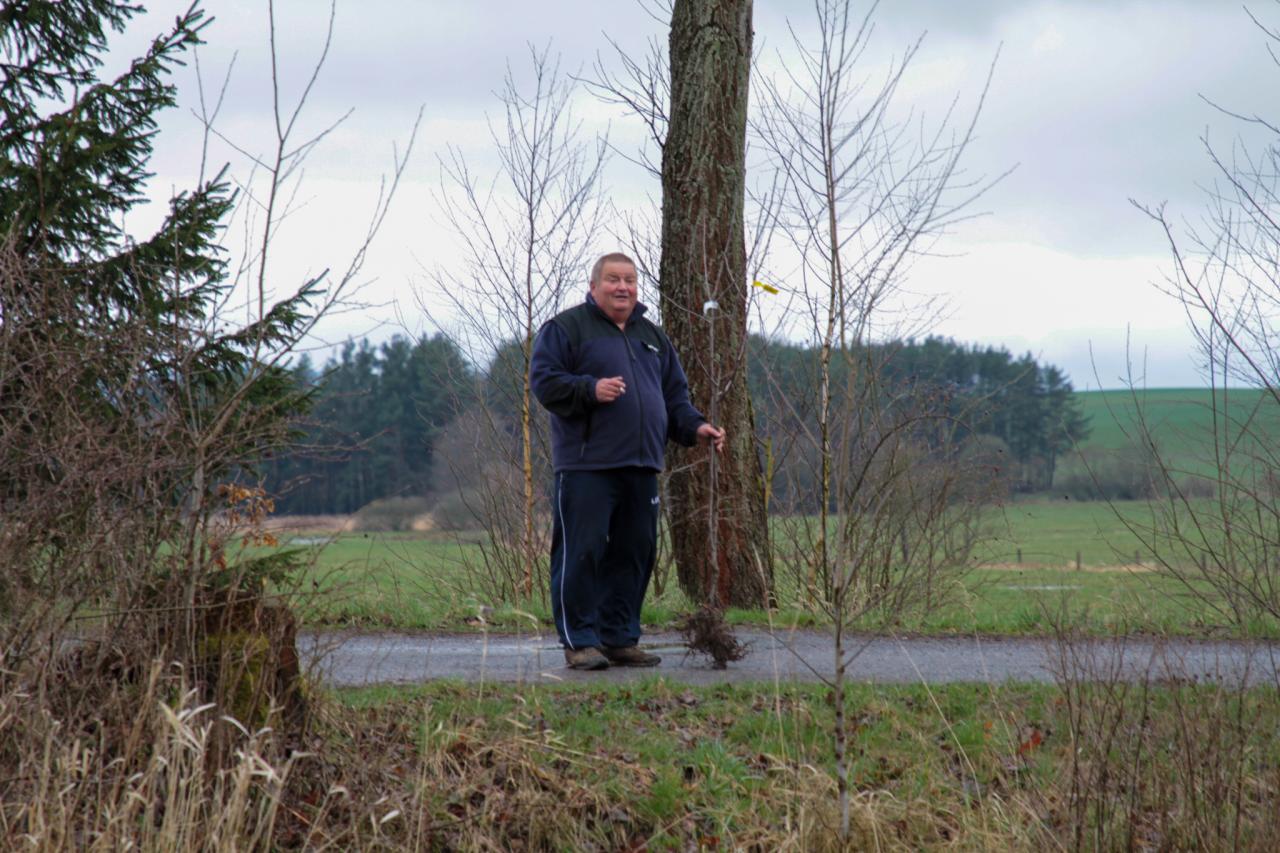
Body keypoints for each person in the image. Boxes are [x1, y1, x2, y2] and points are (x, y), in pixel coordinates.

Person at [530, 252, 725, 670]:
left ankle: (619, 638)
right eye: (613, 279)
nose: (623, 287)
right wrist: (590, 389)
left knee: (634, 553)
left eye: (630, 280)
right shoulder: (565, 328)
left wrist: (696, 427)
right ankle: (580, 642)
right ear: (594, 286)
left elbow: (674, 398)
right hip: (587, 465)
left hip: (642, 465)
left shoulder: (652, 336)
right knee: (581, 553)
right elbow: (544, 382)